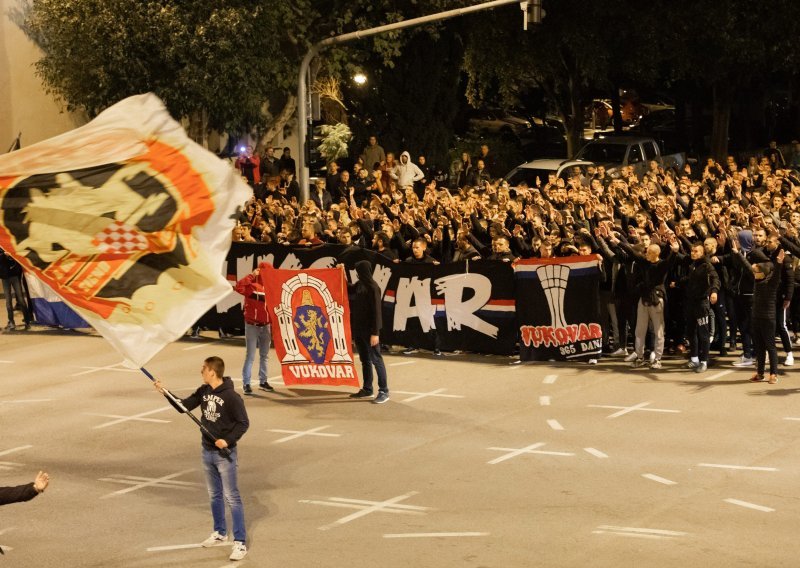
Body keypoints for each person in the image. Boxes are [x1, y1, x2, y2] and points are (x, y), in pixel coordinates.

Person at [154, 357, 250, 561]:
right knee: (214, 494)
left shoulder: (232, 397)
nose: (201, 372)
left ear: (213, 372)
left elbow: (243, 423)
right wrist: (165, 393)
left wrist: (227, 440)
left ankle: (240, 542)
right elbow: (184, 407)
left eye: (203, 369)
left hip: (225, 454)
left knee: (232, 497)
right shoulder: (204, 391)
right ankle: (220, 533)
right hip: (207, 451)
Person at [349, 261, 389, 404]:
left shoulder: (373, 287)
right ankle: (367, 388)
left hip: (370, 331)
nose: (357, 273)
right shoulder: (360, 285)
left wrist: (375, 333)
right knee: (365, 360)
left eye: (358, 270)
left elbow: (377, 312)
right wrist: (340, 272)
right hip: (359, 330)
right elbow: (348, 289)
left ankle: (384, 390)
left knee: (376, 359)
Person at [234, 267, 273, 394]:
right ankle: (246, 383)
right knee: (250, 356)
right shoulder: (251, 286)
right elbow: (238, 287)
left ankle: (263, 381)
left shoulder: (272, 287)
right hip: (252, 325)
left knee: (264, 356)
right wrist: (251, 276)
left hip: (266, 326)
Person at [0, 249, 31, 331]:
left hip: (14, 276)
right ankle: (11, 321)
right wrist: (3, 255)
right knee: (8, 301)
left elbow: (18, 258)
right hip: (4, 277)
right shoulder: (1, 248)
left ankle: (27, 321)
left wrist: (10, 256)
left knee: (21, 299)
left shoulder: (10, 245)